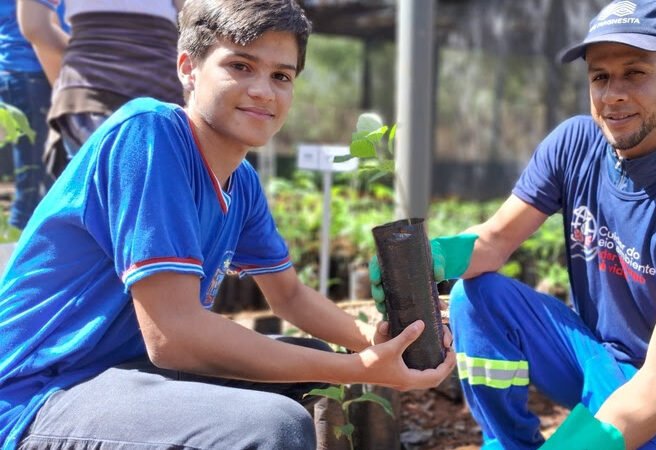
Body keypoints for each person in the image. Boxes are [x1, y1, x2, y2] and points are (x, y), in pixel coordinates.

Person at [0, 1, 455, 449]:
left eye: (282, 75)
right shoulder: (149, 136)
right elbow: (175, 338)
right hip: (39, 393)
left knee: (314, 369)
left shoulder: (241, 182)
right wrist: (360, 367)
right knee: (272, 426)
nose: (263, 90)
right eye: (241, 66)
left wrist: (375, 342)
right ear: (187, 68)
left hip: (122, 372)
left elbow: (290, 296)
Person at [369, 0, 656, 448]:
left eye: (636, 73)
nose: (613, 95)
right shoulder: (575, 144)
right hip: (595, 354)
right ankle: (509, 443)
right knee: (477, 296)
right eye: (600, 76)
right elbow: (494, 240)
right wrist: (432, 258)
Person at [18, 0, 186, 178]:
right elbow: (197, 20)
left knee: (98, 199)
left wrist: (84, 55)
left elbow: (34, 27)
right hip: (160, 93)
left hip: (86, 99)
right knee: (160, 197)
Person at [0, 2, 64, 230]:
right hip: (29, 72)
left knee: (45, 179)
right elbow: (37, 28)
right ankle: (14, 258)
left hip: (38, 71)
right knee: (34, 182)